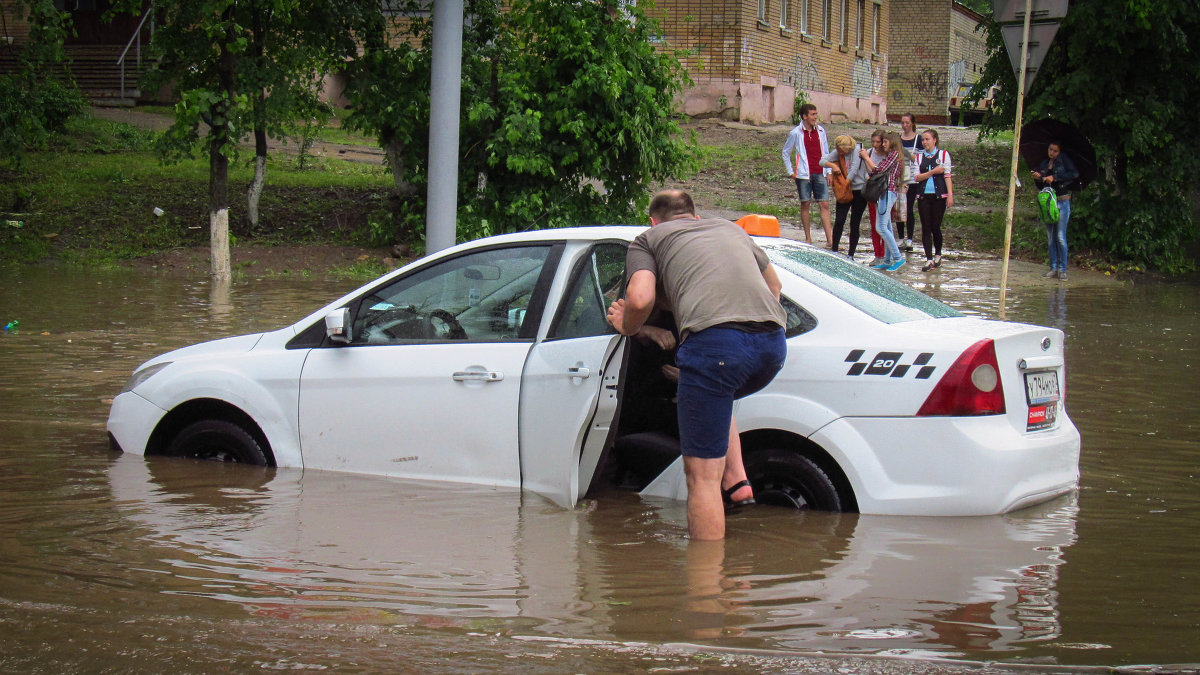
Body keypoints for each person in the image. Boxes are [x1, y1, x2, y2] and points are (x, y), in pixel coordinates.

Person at [607, 190, 787, 540]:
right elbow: (773, 286)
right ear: (696, 217)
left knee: (702, 479)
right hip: (772, 347)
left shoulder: (648, 239)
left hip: (716, 349)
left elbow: (640, 298)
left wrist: (627, 325)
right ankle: (737, 480)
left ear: (653, 221)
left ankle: (705, 589)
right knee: (718, 394)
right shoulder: (732, 230)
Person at [781, 104, 833, 246]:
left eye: (816, 114)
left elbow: (826, 152)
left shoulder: (821, 131)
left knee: (824, 203)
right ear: (805, 116)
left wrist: (829, 171)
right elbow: (786, 152)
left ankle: (830, 240)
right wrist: (791, 171)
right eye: (812, 114)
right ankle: (808, 238)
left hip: (820, 171)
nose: (815, 117)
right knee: (805, 203)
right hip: (804, 174)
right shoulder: (796, 133)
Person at [861, 131, 909, 271]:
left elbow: (879, 169)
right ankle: (888, 260)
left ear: (892, 142)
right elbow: (876, 171)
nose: (883, 144)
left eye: (885, 142)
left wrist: (865, 157)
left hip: (888, 192)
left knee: (880, 227)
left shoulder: (894, 155)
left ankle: (898, 258)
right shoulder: (892, 155)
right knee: (887, 227)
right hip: (885, 192)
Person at [1031, 141, 1078, 280]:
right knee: (1051, 237)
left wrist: (1055, 177)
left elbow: (1074, 174)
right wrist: (1038, 178)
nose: (1052, 153)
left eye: (1055, 151)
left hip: (1062, 200)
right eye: (1050, 149)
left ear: (1059, 152)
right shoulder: (1045, 164)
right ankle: (1053, 268)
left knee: (1060, 236)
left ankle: (1063, 269)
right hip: (1048, 203)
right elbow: (1041, 187)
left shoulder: (1064, 161)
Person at [820, 135, 869, 259]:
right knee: (840, 220)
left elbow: (853, 171)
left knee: (855, 222)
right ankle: (834, 250)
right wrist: (832, 166)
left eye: (843, 151)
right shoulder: (839, 152)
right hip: (845, 192)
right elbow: (822, 161)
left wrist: (843, 185)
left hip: (858, 190)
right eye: (839, 151)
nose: (841, 153)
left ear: (849, 147)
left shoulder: (857, 150)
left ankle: (851, 254)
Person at [912, 129, 954, 272]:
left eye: (927, 139)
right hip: (923, 195)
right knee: (926, 226)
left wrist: (950, 194)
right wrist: (933, 172)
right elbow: (916, 177)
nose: (925, 142)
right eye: (923, 140)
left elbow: (947, 174)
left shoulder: (943, 154)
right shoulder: (918, 157)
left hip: (939, 196)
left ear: (935, 140)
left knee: (936, 226)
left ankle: (938, 254)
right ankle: (928, 258)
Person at [897, 113, 921, 252]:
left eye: (907, 123)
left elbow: (918, 159)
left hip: (912, 178)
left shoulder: (918, 139)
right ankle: (900, 238)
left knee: (909, 207)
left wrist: (905, 151)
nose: (904, 125)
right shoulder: (898, 139)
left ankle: (910, 238)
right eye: (902, 123)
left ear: (912, 123)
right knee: (900, 207)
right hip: (900, 178)